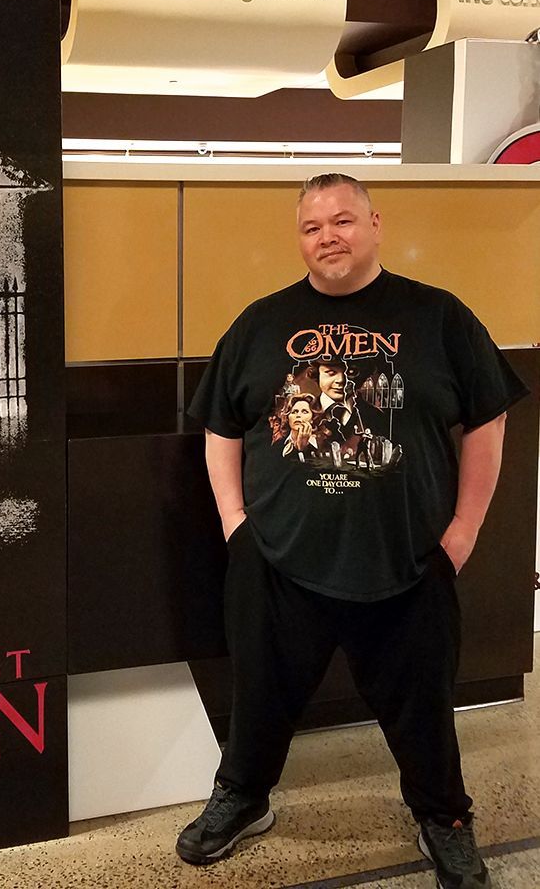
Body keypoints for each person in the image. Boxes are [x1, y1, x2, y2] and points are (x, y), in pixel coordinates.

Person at [177, 174, 529, 889]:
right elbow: (221, 425)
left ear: (375, 224)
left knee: (425, 704)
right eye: (312, 227)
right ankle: (243, 796)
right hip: (276, 560)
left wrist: (461, 532)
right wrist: (235, 524)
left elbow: (490, 419)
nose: (328, 236)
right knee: (260, 694)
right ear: (299, 238)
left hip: (407, 562)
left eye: (342, 220)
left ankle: (443, 818)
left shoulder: (438, 318)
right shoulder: (260, 323)